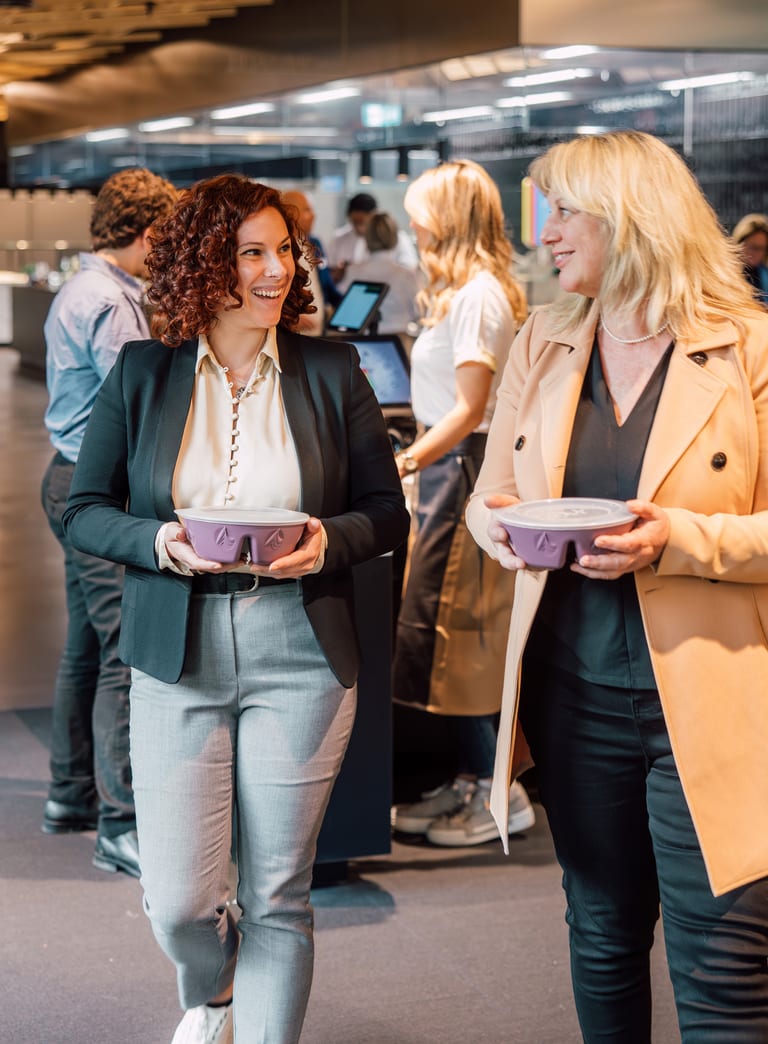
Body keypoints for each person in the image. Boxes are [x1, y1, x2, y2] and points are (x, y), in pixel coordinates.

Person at [62, 173, 409, 1044]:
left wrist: (326, 543)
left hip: (300, 648)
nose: (276, 271)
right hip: (175, 650)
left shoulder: (333, 369)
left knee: (279, 892)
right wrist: (162, 544)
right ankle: (213, 992)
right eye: (251, 252)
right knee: (179, 900)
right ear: (202, 263)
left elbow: (384, 511)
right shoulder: (145, 371)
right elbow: (86, 508)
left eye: (284, 251)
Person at [466, 130, 768, 1042]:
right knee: (600, 937)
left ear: (629, 220)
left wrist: (678, 538)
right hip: (572, 691)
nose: (546, 234)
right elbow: (489, 499)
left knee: (726, 969)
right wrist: (512, 534)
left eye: (563, 212)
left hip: (711, 698)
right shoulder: (545, 337)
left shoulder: (748, 346)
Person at [390, 159, 535, 847]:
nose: (413, 224)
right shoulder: (462, 293)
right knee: (435, 631)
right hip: (447, 466)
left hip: (462, 468)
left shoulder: (479, 296)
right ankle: (470, 777)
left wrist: (409, 460)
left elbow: (473, 407)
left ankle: (497, 790)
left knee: (462, 635)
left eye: (421, 212)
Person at [40, 167, 177, 877]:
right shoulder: (112, 302)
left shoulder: (84, 288)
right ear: (150, 233)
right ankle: (121, 823)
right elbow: (143, 403)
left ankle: (70, 794)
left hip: (67, 479)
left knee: (86, 649)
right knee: (125, 652)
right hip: (94, 490)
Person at [336, 211, 422, 343]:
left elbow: (344, 313)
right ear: (394, 237)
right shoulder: (406, 274)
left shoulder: (352, 271)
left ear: (367, 236)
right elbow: (419, 313)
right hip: (398, 342)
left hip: (359, 343)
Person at [282, 188, 340, 334]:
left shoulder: (315, 244)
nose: (313, 216)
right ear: (290, 213)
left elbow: (327, 286)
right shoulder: (280, 247)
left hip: (320, 333)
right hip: (293, 335)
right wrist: (287, 316)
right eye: (307, 210)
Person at [326, 191, 418, 284]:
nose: (359, 228)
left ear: (374, 218)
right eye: (355, 222)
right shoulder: (338, 239)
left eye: (363, 223)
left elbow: (410, 267)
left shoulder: (398, 238)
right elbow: (328, 271)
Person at [732, 211, 768, 305]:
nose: (757, 253)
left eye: (761, 248)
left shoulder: (764, 274)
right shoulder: (726, 275)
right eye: (753, 247)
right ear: (740, 244)